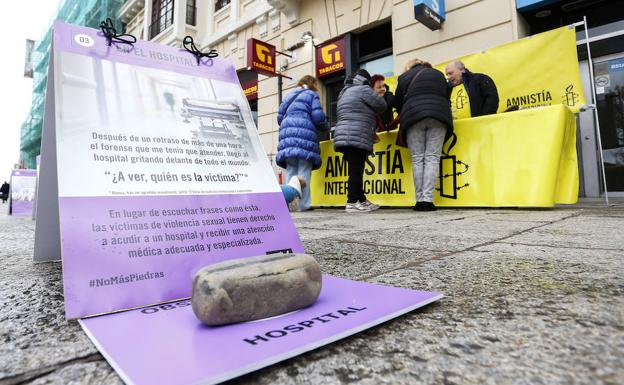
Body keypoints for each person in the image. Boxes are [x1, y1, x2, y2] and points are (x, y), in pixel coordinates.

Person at [395, 59, 453, 212]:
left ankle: (419, 200)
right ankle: (428, 200)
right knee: (432, 157)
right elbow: (447, 96)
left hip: (413, 116)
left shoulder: (404, 77)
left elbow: (398, 103)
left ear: (409, 67)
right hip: (438, 116)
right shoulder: (439, 75)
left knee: (417, 158)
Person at [333, 69, 386, 213]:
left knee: (355, 169)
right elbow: (382, 105)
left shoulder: (343, 92)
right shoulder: (363, 89)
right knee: (356, 171)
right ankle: (351, 202)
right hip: (356, 134)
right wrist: (381, 93)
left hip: (344, 135)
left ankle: (361, 200)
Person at [276, 75, 326, 211]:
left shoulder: (288, 96)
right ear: (312, 84)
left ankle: (290, 204)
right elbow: (318, 117)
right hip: (305, 135)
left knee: (291, 170)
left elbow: (279, 118)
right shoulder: (311, 95)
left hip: (287, 136)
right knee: (304, 170)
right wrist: (325, 126)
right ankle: (304, 205)